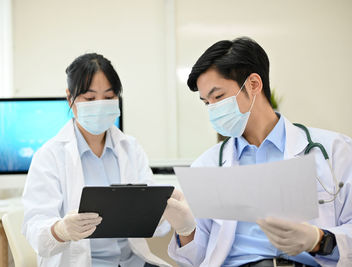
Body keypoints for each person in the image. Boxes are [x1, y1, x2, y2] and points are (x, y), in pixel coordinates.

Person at [163, 37, 352, 267]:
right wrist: (186, 229)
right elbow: (198, 259)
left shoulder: (335, 150)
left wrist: (320, 240)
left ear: (253, 84)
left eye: (218, 97)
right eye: (207, 102)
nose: (213, 109)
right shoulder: (207, 165)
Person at [22, 53, 171, 267]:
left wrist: (167, 211)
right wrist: (61, 230)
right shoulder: (50, 155)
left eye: (109, 97)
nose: (100, 105)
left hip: (132, 262)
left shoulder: (130, 148)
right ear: (70, 98)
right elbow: (35, 228)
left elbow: (154, 219)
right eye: (90, 98)